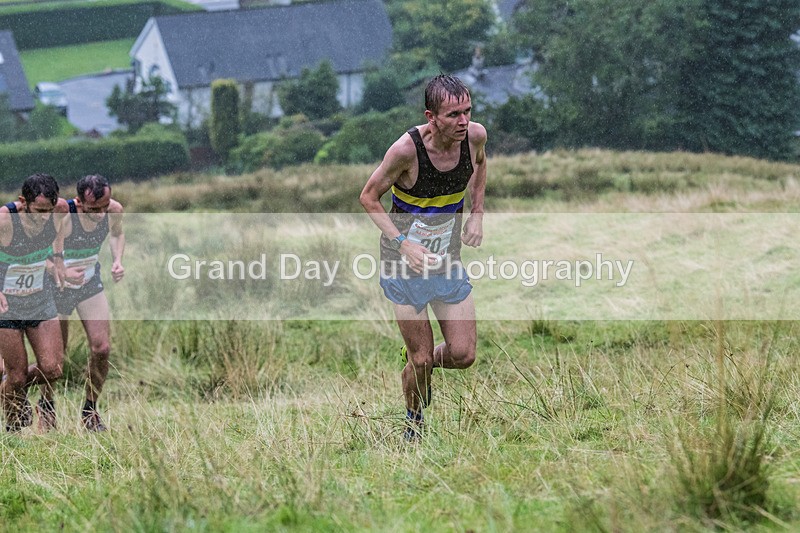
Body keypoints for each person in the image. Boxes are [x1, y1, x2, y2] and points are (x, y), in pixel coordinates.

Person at [359, 75, 487, 440]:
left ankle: (422, 362)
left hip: (446, 259)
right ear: (431, 117)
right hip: (403, 264)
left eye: (467, 111)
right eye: (453, 115)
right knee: (421, 358)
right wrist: (403, 243)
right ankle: (414, 424)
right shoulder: (406, 151)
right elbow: (368, 197)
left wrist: (477, 212)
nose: (463, 121)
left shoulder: (475, 137)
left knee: (463, 355)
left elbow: (480, 165)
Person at [55, 174, 124, 432]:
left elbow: (117, 235)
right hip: (57, 287)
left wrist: (117, 260)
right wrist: (61, 271)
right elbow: (43, 252)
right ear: (79, 202)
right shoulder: (65, 215)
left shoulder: (113, 210)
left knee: (101, 348)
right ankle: (46, 404)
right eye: (93, 209)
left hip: (89, 284)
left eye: (104, 206)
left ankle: (90, 410)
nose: (100, 214)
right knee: (55, 360)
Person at [0, 173, 69, 432]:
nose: (44, 217)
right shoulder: (5, 220)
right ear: (23, 202)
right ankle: (13, 429)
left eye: (48, 211)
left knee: (53, 369)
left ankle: (6, 389)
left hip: (40, 299)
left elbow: (59, 229)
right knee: (17, 376)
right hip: (7, 307)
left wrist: (58, 258)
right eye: (39, 211)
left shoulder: (59, 210)